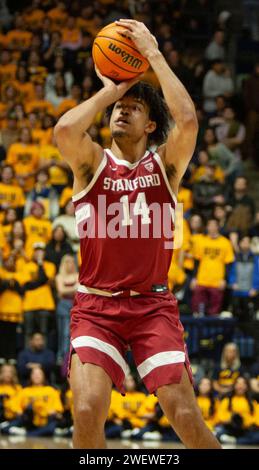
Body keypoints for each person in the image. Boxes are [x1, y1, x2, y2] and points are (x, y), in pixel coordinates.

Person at [54, 19, 220, 449]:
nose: (122, 110)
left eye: (133, 106)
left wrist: (155, 56)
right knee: (88, 410)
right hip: (96, 306)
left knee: (185, 415)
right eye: (117, 108)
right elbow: (65, 131)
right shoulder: (91, 162)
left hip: (152, 307)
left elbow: (187, 121)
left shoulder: (165, 166)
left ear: (150, 126)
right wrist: (114, 87)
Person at [191, 218, 235, 315]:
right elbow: (196, 262)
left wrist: (224, 279)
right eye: (210, 225)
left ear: (218, 227)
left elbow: (228, 264)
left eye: (214, 225)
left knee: (214, 312)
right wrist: (194, 278)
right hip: (201, 279)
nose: (212, 227)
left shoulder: (225, 243)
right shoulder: (201, 241)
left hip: (217, 281)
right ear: (207, 227)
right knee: (198, 311)